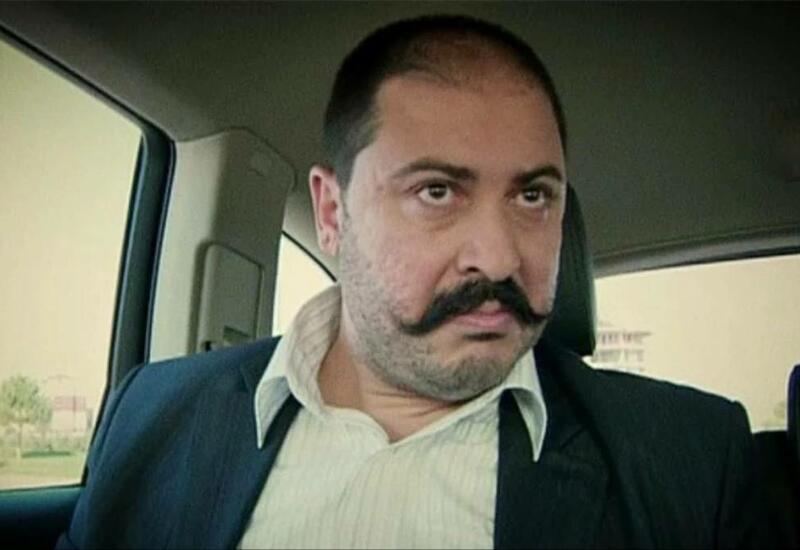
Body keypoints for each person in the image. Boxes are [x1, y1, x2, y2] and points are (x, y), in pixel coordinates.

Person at [58, 14, 761, 549]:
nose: (498, 260)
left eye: (532, 197)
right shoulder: (150, 418)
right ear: (332, 214)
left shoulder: (691, 460)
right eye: (437, 191)